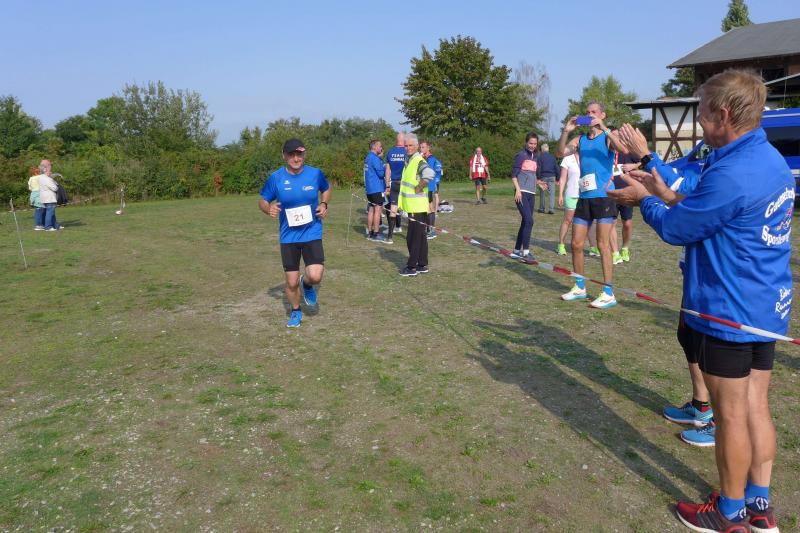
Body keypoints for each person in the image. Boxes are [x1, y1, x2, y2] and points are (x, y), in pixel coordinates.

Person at [610, 70, 791, 532]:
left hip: (728, 308)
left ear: (723, 115)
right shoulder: (767, 158)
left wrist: (643, 199)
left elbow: (678, 228)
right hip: (765, 304)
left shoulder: (732, 171)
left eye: (703, 112)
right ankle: (759, 505)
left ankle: (728, 512)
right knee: (756, 406)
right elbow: (705, 208)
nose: (700, 121)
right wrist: (664, 191)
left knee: (730, 414)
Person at [556, 101, 626, 309]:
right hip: (584, 197)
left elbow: (623, 148)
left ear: (602, 115)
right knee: (576, 244)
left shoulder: (607, 137)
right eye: (587, 112)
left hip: (604, 197)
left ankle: (608, 292)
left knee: (603, 245)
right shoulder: (580, 140)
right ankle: (580, 287)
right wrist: (566, 131)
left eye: (594, 112)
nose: (590, 115)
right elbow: (560, 153)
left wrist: (604, 128)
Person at [258, 139, 331, 328]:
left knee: (315, 276)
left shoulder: (315, 173)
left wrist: (324, 204)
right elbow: (263, 200)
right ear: (284, 156)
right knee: (291, 283)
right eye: (291, 154)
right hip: (288, 236)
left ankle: (306, 284)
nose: (296, 158)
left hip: (312, 232)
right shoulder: (276, 178)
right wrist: (268, 209)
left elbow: (326, 189)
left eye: (299, 154)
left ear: (304, 154)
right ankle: (296, 311)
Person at [398, 134, 435, 276]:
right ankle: (422, 264)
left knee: (413, 238)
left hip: (417, 207)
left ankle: (411, 267)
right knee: (420, 237)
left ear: (417, 146)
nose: (408, 148)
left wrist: (419, 187)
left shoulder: (418, 160)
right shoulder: (409, 161)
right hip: (413, 206)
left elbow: (429, 173)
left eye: (410, 145)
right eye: (406, 146)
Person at [511, 132, 547, 260]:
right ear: (526, 142)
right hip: (521, 193)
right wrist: (517, 190)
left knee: (526, 221)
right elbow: (514, 175)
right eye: (531, 143)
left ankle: (516, 250)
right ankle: (526, 253)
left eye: (535, 144)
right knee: (529, 221)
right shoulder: (521, 155)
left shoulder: (535, 157)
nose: (532, 145)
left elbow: (531, 175)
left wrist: (539, 183)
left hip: (531, 193)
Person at [609, 152, 640, 264]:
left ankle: (625, 248)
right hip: (611, 193)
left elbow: (646, 160)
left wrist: (634, 166)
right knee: (611, 223)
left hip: (627, 193)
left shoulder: (628, 152)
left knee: (627, 223)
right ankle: (615, 253)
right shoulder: (607, 151)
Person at [364, 139, 388, 242]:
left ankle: (370, 232)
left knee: (371, 210)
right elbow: (381, 174)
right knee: (378, 210)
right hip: (376, 188)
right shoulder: (375, 158)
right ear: (374, 147)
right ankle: (376, 234)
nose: (381, 148)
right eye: (380, 146)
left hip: (369, 189)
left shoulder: (368, 157)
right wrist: (385, 166)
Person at [556, 152, 580, 255]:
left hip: (585, 195)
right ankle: (561, 245)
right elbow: (562, 178)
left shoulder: (588, 157)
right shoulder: (568, 159)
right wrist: (560, 194)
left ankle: (593, 247)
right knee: (568, 220)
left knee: (587, 221)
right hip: (572, 194)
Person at [384, 132, 406, 240]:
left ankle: (389, 237)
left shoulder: (390, 152)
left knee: (393, 208)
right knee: (409, 210)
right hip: (405, 185)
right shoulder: (407, 152)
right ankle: (412, 235)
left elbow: (388, 170)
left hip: (393, 183)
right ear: (404, 140)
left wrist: (387, 185)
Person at [420, 141, 442, 240]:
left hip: (429, 186)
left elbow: (428, 172)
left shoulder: (431, 159)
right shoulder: (426, 158)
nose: (421, 149)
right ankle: (428, 228)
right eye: (420, 147)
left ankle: (431, 231)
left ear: (428, 148)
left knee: (430, 208)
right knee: (427, 207)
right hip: (426, 186)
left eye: (423, 147)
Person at [35, 160, 64, 231]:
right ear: (45, 170)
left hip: (45, 198)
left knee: (51, 212)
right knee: (50, 212)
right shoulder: (46, 178)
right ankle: (48, 227)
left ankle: (55, 225)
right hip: (49, 198)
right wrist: (55, 184)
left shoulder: (41, 177)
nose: (50, 171)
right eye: (49, 166)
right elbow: (55, 188)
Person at [537, 143, 558, 214]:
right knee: (552, 193)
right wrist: (558, 178)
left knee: (542, 193)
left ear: (542, 150)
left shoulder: (540, 157)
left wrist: (538, 178)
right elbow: (556, 167)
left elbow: (538, 169)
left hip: (543, 176)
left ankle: (542, 208)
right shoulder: (552, 157)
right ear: (548, 149)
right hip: (552, 176)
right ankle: (551, 209)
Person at [27, 166, 45, 230]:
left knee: (38, 210)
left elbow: (30, 188)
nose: (40, 172)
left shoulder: (30, 178)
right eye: (39, 171)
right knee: (40, 211)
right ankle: (38, 225)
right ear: (36, 172)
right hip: (39, 194)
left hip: (33, 194)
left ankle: (40, 224)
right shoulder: (40, 177)